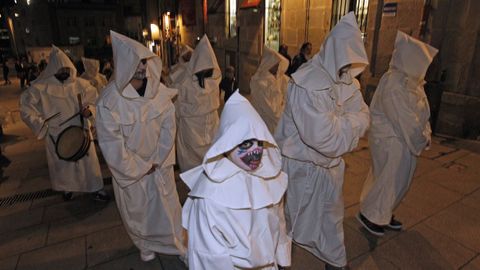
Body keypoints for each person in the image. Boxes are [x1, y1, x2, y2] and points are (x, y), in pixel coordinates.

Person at [274, 12, 370, 270]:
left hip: (328, 170)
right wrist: (349, 123)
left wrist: (342, 123)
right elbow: (326, 138)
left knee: (330, 219)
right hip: (301, 169)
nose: (350, 69)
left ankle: (335, 262)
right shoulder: (308, 83)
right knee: (292, 220)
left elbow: (363, 114)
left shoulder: (343, 78)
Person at [95, 31, 186, 263]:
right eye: (136, 64)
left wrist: (157, 158)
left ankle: (176, 241)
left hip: (159, 162)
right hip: (132, 170)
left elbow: (169, 127)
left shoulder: (160, 93)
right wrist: (140, 167)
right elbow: (111, 144)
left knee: (168, 206)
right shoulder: (109, 102)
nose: (142, 69)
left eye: (144, 63)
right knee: (139, 211)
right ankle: (145, 244)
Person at [182, 91, 291, 269]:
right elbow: (208, 256)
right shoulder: (209, 197)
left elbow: (279, 222)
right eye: (246, 144)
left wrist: (282, 258)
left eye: (260, 143)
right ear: (226, 145)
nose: (256, 152)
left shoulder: (271, 179)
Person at [357, 32, 438, 236]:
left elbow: (423, 113)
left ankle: (384, 212)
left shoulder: (413, 83)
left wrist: (425, 133)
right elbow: (404, 118)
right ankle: (371, 215)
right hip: (391, 140)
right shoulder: (393, 82)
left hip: (403, 140)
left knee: (398, 180)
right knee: (388, 179)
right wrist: (421, 137)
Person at [19, 45, 108, 202]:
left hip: (81, 131)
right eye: (61, 70)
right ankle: (68, 189)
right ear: (53, 69)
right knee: (64, 167)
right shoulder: (40, 88)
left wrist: (90, 111)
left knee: (88, 165)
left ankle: (96, 189)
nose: (65, 73)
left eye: (67, 69)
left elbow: (95, 101)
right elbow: (26, 109)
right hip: (56, 134)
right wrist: (41, 124)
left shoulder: (82, 84)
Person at [175, 35, 221, 172]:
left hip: (210, 134)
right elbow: (177, 110)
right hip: (191, 138)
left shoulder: (214, 84)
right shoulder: (185, 85)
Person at [250, 46, 289, 133]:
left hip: (277, 122)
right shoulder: (260, 83)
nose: (278, 67)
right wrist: (282, 113)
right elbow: (270, 109)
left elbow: (286, 98)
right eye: (276, 64)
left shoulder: (278, 80)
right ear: (269, 64)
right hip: (266, 124)